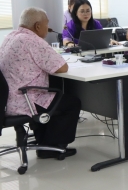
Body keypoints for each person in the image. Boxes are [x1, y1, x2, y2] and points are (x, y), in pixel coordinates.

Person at [0, 8, 81, 158]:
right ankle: (50, 148)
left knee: (52, 95)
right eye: (46, 24)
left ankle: (44, 141)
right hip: (26, 101)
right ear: (38, 26)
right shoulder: (33, 41)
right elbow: (62, 68)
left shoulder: (10, 36)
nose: (48, 28)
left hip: (6, 101)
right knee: (72, 103)